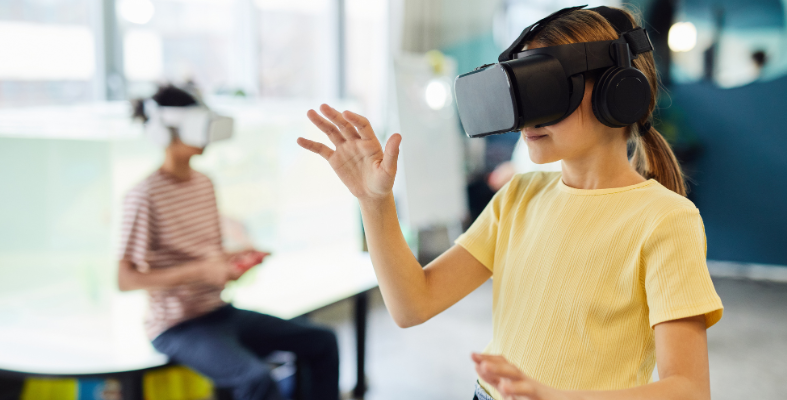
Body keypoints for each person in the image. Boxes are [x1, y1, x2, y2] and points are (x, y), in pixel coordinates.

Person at [297, 6, 722, 400]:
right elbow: (413, 304)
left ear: (618, 90)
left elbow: (687, 388)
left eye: (545, 89)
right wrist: (375, 202)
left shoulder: (665, 220)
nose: (525, 115)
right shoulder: (519, 196)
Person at [119, 85, 340, 400]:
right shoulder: (143, 196)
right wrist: (200, 272)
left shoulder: (204, 183)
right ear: (165, 132)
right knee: (257, 381)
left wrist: (235, 258)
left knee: (321, 341)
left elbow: (207, 254)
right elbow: (125, 279)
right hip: (176, 327)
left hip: (220, 312)